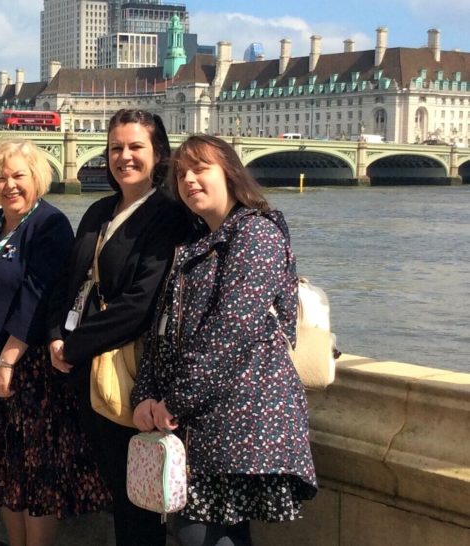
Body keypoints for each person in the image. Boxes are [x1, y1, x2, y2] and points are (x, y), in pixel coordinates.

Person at [131, 134, 317, 546]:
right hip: (204, 419)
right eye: (181, 174)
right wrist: (144, 394)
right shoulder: (194, 244)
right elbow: (161, 329)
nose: (190, 180)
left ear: (230, 173)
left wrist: (174, 402)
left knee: (199, 534)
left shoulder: (256, 234)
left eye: (201, 169)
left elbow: (229, 331)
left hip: (241, 418)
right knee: (203, 532)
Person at [0, 137, 109, 546]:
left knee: (33, 469)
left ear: (36, 177)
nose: (10, 185)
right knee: (1, 465)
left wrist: (6, 362)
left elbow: (37, 299)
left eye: (18, 176)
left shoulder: (49, 223)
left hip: (25, 370)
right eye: (0, 177)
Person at [47, 109, 191, 546]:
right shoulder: (97, 211)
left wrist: (72, 347)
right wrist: (55, 332)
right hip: (85, 375)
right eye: (116, 148)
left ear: (159, 153)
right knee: (114, 489)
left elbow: (140, 304)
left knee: (139, 501)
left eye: (135, 147)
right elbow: (67, 281)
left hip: (130, 375)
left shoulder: (169, 215)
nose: (123, 157)